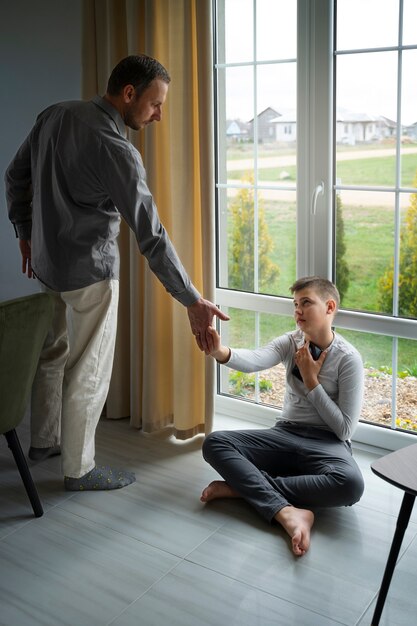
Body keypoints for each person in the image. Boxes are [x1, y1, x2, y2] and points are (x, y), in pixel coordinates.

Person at [5, 54, 228, 491]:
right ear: (129, 93)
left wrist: (25, 231)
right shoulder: (117, 150)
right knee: (88, 368)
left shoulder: (55, 115)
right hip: (90, 275)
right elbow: (152, 237)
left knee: (52, 356)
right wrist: (192, 299)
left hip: (48, 265)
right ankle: (80, 469)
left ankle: (44, 443)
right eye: (155, 104)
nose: (159, 114)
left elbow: (15, 175)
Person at [200, 276, 364, 556]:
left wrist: (312, 382)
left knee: (350, 485)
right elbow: (254, 360)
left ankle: (241, 488)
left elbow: (345, 430)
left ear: (329, 307)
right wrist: (219, 351)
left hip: (326, 444)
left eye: (306, 303)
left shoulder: (348, 358)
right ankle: (288, 512)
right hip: (285, 435)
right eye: (295, 304)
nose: (298, 311)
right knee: (214, 443)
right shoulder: (290, 342)